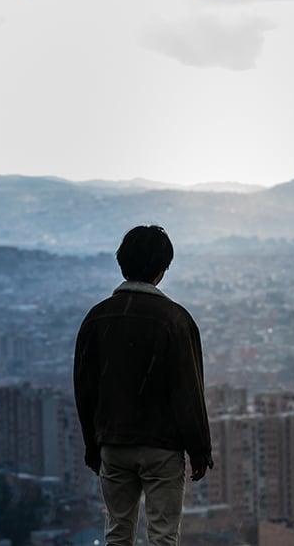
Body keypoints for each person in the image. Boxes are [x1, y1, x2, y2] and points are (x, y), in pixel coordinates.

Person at [73, 225, 213, 546]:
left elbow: (85, 389)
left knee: (117, 533)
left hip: (114, 442)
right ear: (161, 270)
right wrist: (199, 449)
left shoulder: (97, 319)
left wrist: (94, 446)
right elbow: (188, 390)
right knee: (163, 536)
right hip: (161, 446)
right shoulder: (175, 320)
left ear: (123, 264)